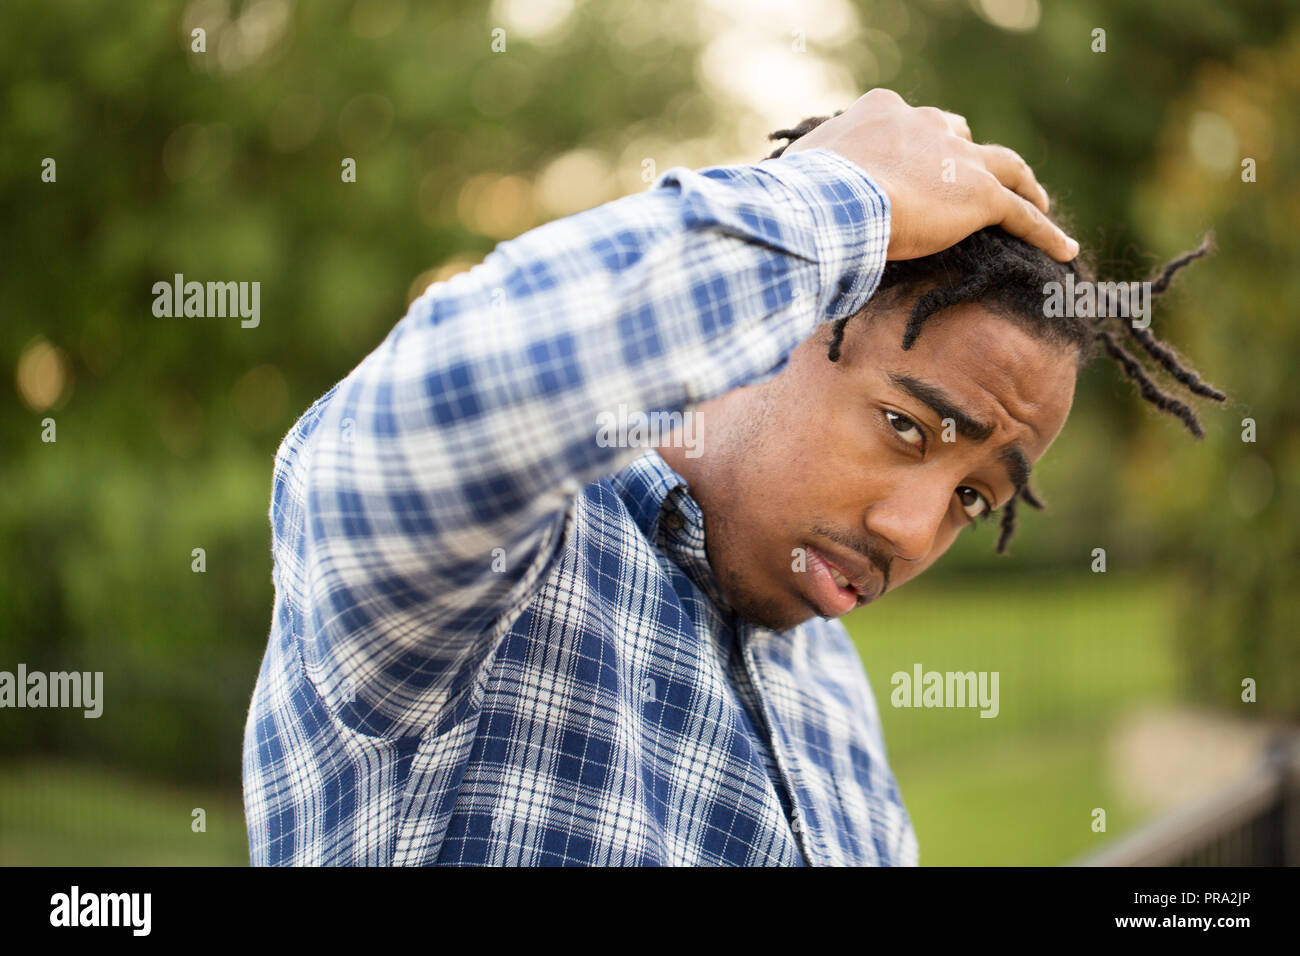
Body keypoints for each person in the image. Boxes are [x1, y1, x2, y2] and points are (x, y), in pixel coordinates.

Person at [242, 89, 1221, 866]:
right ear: (774, 322)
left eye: (975, 498)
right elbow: (444, 403)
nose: (917, 531)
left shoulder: (825, 685)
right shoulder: (512, 576)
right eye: (904, 425)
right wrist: (837, 197)